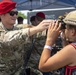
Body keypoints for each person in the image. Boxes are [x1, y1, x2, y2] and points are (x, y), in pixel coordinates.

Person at [0, 0, 51, 75]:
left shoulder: (18, 29)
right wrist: (36, 28)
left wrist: (53, 29)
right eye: (12, 13)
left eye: (16, 13)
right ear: (2, 14)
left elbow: (37, 34)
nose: (15, 16)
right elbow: (7, 39)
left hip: (20, 72)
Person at [39, 10, 76, 75]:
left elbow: (43, 66)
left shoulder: (72, 49)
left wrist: (49, 40)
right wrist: (64, 40)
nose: (64, 30)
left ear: (72, 31)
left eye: (66, 27)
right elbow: (67, 59)